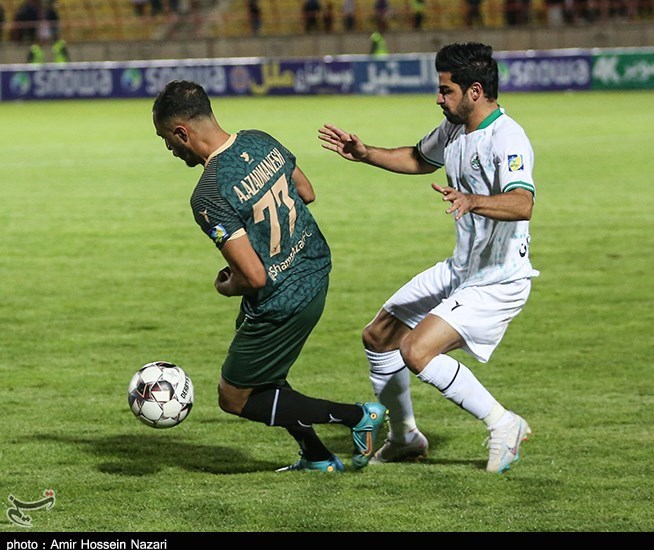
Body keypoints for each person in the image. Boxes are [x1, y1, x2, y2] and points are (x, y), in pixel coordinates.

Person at [318, 42, 536, 474]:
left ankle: (503, 423)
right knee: (379, 336)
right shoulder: (456, 129)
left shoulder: (507, 137)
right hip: (461, 268)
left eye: (445, 90)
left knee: (416, 351)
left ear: (475, 91)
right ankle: (404, 438)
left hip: (498, 278)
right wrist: (365, 154)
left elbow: (522, 203)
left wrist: (474, 200)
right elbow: (419, 158)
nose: (438, 98)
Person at [152, 80, 387, 473]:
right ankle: (316, 455)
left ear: (182, 132)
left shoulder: (208, 194)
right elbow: (306, 192)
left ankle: (358, 416)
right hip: (314, 267)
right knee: (265, 376)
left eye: (166, 139)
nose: (169, 149)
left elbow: (254, 277)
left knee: (234, 396)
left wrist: (227, 285)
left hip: (282, 300)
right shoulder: (259, 140)